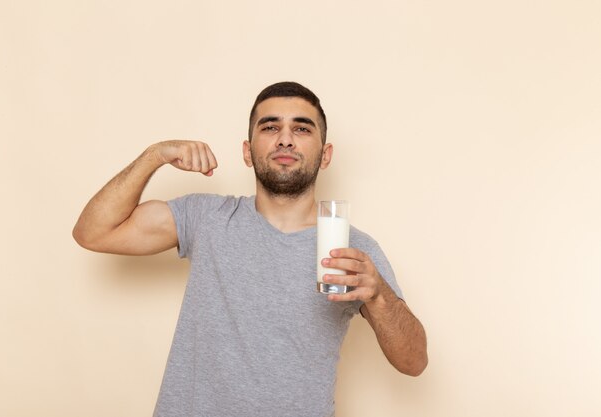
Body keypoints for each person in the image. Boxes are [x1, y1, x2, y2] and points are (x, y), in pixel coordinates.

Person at [73, 81, 428, 417]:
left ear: (325, 154)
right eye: (270, 127)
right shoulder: (206, 218)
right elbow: (93, 232)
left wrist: (379, 295)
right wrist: (154, 156)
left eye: (302, 129)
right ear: (247, 151)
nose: (285, 140)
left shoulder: (354, 251)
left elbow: (414, 362)